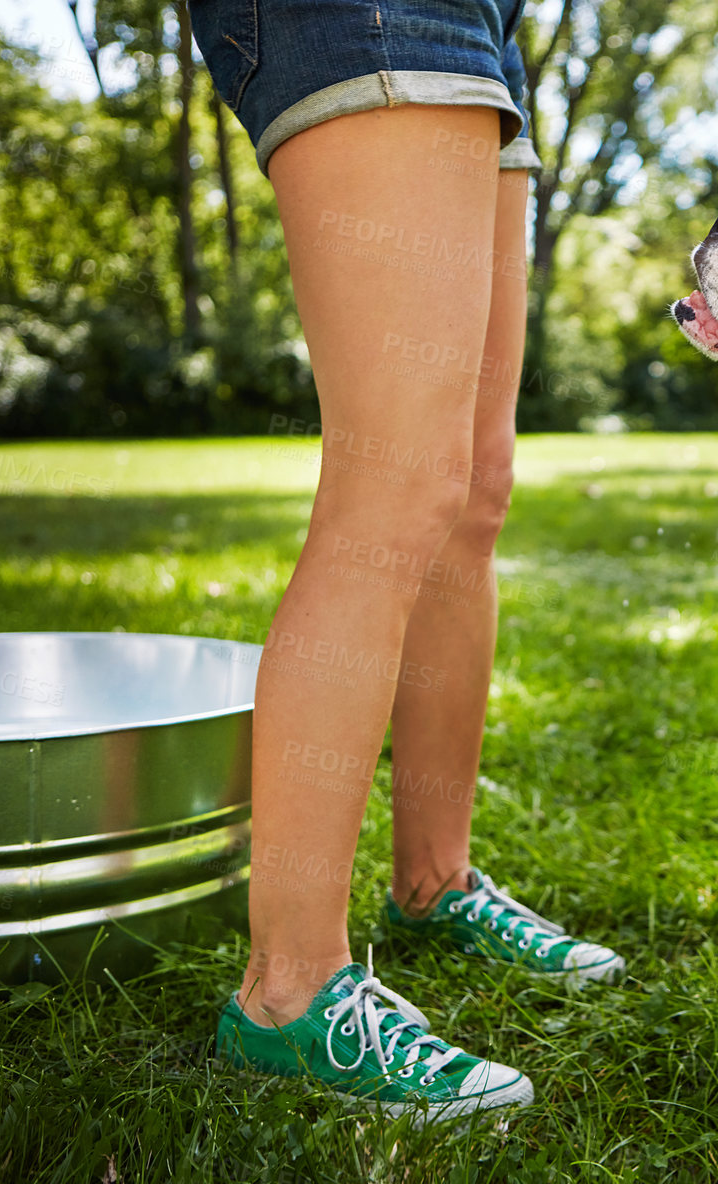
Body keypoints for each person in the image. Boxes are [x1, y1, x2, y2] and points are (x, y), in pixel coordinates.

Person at [189, 0, 622, 1123]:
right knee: (395, 481)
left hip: (486, 19)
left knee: (470, 490)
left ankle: (434, 878)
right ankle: (288, 989)